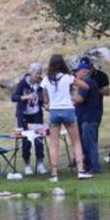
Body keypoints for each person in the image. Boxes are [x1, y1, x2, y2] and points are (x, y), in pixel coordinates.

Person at [40, 54, 92, 182]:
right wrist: (73, 88)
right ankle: (80, 171)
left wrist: (51, 102)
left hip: (54, 112)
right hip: (68, 110)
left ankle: (54, 174)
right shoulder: (68, 78)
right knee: (76, 142)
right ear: (63, 64)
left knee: (53, 144)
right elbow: (86, 86)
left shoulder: (46, 80)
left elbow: (45, 100)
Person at [10, 63, 48, 176]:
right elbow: (14, 97)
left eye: (40, 73)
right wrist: (25, 97)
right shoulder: (23, 83)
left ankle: (40, 163)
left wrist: (44, 104)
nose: (39, 76)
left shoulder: (41, 83)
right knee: (26, 140)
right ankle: (27, 165)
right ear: (31, 73)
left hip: (36, 115)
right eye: (37, 74)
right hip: (24, 116)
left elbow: (42, 98)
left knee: (39, 139)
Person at [74, 63, 104, 174]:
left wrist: (67, 98)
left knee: (89, 142)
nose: (76, 74)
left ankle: (94, 167)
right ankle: (90, 165)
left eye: (78, 72)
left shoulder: (86, 82)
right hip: (92, 116)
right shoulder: (92, 82)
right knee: (90, 142)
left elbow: (80, 99)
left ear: (84, 72)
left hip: (89, 118)